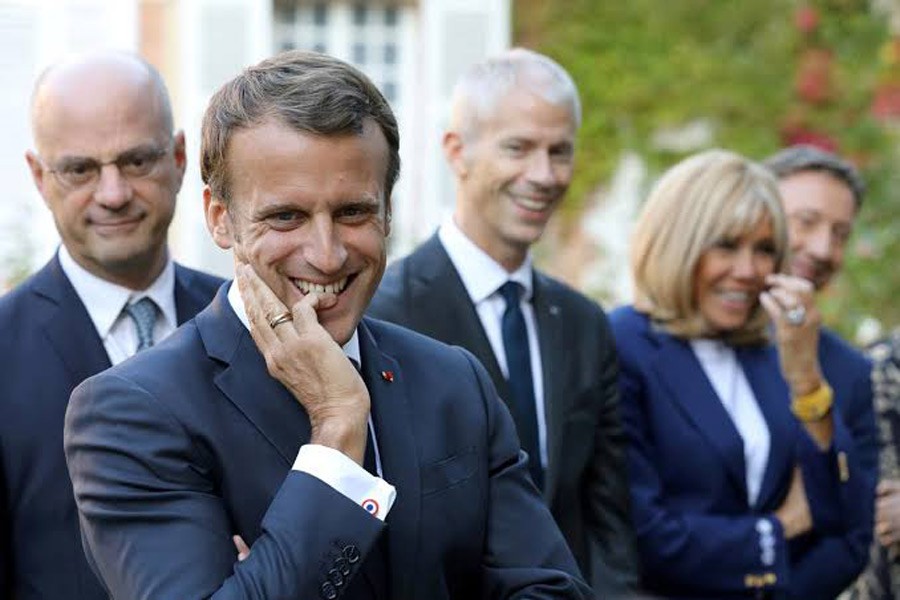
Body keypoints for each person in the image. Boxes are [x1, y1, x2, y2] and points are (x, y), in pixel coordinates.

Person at [63, 50, 592, 599]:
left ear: (387, 210)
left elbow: (554, 590)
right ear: (221, 219)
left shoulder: (455, 382)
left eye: (352, 213)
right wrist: (338, 428)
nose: (327, 253)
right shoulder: (132, 413)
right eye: (286, 216)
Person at [368, 48, 638, 597]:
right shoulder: (384, 311)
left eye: (559, 151)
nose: (543, 175)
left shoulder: (585, 324)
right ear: (457, 151)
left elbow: (607, 517)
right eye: (518, 148)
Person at [0, 52, 222, 599]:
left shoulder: (250, 319)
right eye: (80, 169)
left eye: (137, 161)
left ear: (178, 157)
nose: (114, 193)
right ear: (38, 175)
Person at [609, 149, 874, 598]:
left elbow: (842, 519)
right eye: (727, 245)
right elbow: (646, 534)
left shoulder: (767, 351)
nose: (749, 271)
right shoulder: (621, 342)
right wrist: (776, 531)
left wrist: (806, 377)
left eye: (766, 250)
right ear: (680, 242)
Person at [762, 146, 880, 598]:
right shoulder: (673, 339)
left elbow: (853, 537)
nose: (824, 249)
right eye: (806, 221)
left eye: (841, 233)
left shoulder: (851, 372)